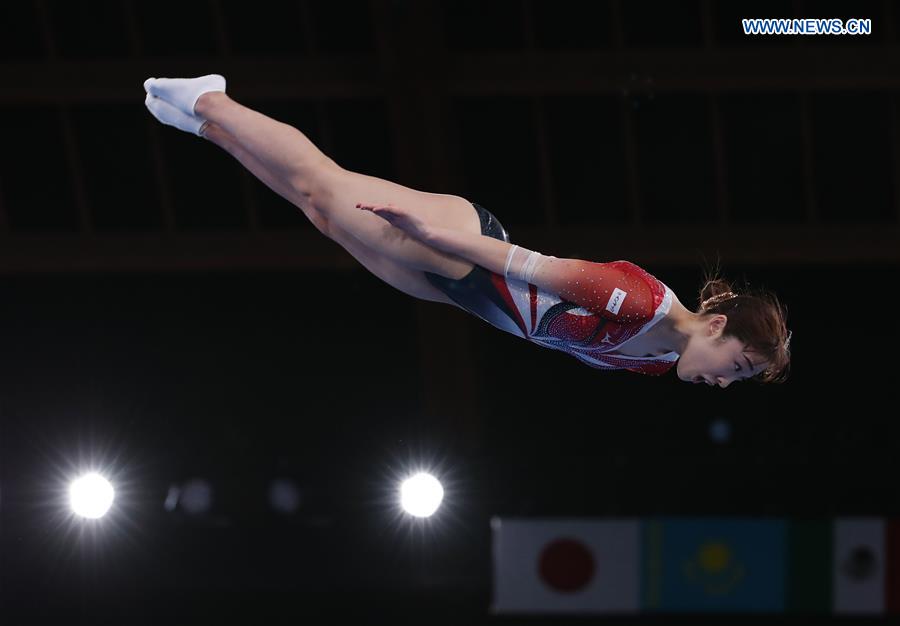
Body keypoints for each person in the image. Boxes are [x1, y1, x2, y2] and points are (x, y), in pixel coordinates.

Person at [143, 74, 791, 388]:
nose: (723, 383)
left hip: (465, 294)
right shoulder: (637, 299)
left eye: (736, 380)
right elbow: (524, 262)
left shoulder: (659, 362)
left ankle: (205, 129)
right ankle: (210, 99)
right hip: (467, 247)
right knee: (325, 187)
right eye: (734, 366)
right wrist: (429, 232)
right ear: (715, 326)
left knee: (320, 216)